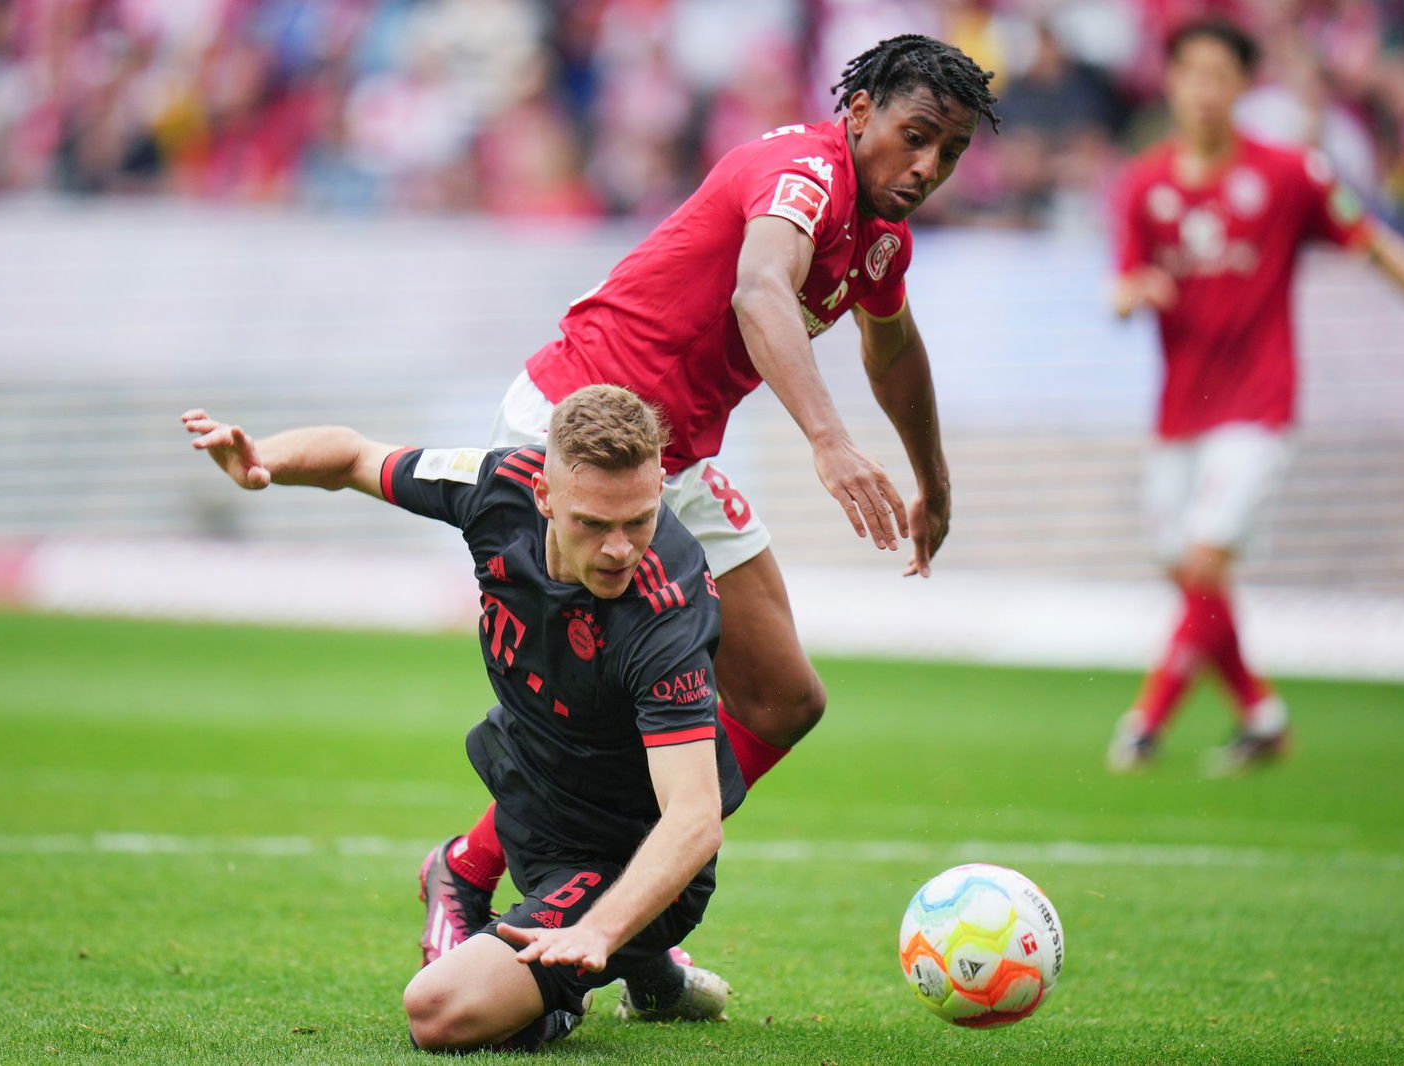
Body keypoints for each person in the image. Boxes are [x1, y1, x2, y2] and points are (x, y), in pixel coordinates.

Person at [420, 33, 1001, 968]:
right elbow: (759, 289)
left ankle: (612, 894)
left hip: (670, 461)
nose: (928, 167)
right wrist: (828, 441)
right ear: (859, 114)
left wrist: (932, 475)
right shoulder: (803, 175)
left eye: (952, 152)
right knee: (615, 710)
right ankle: (479, 871)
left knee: (782, 699)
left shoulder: (881, 237)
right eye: (916, 136)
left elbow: (891, 348)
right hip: (573, 438)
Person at [181, 385, 745, 1052]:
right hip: (531, 798)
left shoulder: (667, 611)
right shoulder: (496, 487)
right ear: (544, 496)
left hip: (623, 857)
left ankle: (605, 964)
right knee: (536, 955)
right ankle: (639, 973)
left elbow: (693, 817)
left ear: (657, 487)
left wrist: (598, 929)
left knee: (438, 1012)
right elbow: (355, 458)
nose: (621, 548)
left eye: (640, 520)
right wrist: (261, 461)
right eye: (594, 524)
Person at [1106, 17, 1404, 775]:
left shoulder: (1291, 173)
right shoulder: (1142, 183)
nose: (1204, 91)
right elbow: (1120, 286)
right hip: (1179, 410)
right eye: (1190, 74)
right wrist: (1133, 293)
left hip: (1259, 404)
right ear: (1169, 81)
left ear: (1242, 86)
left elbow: (1372, 243)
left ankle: (1144, 725)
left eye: (1219, 76)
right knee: (1185, 570)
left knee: (1203, 563)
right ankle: (1262, 715)